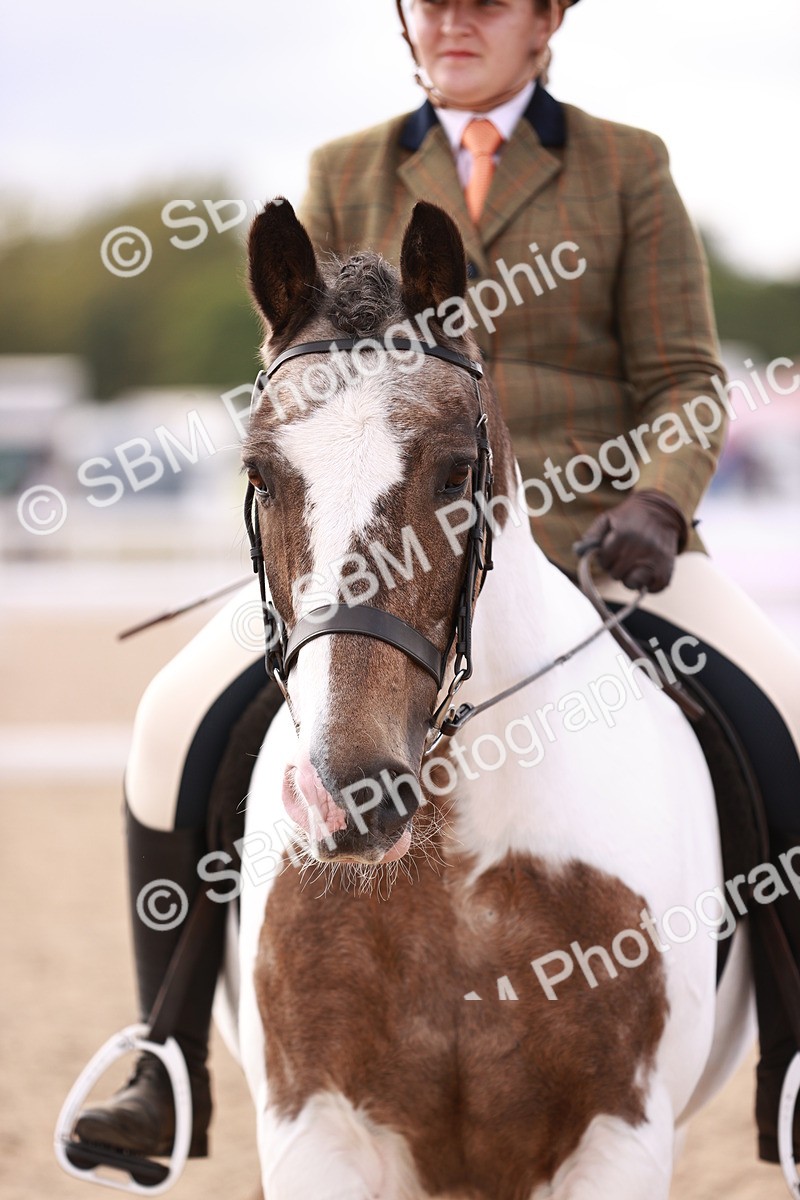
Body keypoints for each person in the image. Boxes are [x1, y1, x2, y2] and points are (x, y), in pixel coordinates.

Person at [74, 0, 800, 1170]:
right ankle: (161, 1057)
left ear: (547, 19)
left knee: (787, 708)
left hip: (601, 540)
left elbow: (681, 377)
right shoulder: (344, 166)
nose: (454, 20)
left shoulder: (625, 165)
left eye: (488, 0)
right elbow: (297, 371)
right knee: (168, 719)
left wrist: (656, 502)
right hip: (381, 557)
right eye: (432, 0)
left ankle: (797, 1057)